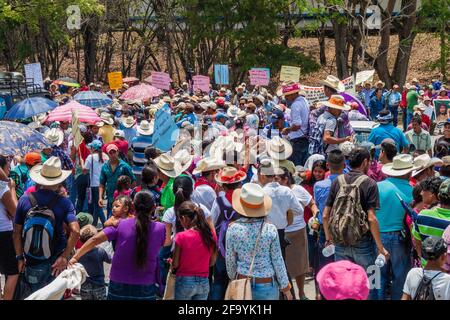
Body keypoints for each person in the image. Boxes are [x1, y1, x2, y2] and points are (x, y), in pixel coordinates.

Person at [70, 191, 165, 300]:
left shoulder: (120, 224)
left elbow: (95, 239)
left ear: (133, 205)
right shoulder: (160, 228)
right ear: (154, 207)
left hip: (118, 282)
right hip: (146, 284)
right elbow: (165, 243)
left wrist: (75, 257)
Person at [322, 147, 389, 300]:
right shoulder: (370, 184)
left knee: (343, 286)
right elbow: (371, 218)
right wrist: (380, 248)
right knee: (368, 285)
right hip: (363, 243)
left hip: (339, 243)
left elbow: (325, 215)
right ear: (365, 162)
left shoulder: (337, 181)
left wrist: (328, 238)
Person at [13, 157, 80, 293]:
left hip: (30, 260)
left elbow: (16, 232)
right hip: (55, 262)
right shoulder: (64, 203)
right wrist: (65, 256)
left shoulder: (25, 199)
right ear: (59, 180)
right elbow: (76, 231)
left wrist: (20, 258)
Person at [226, 183, 293, 300]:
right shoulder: (270, 229)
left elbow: (230, 259)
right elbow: (277, 260)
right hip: (267, 285)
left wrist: (233, 278)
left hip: (242, 282)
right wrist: (285, 287)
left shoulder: (233, 229)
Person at [376, 154, 418, 300]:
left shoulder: (378, 186)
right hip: (400, 238)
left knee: (377, 277)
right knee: (400, 277)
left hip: (378, 237)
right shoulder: (413, 190)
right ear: (409, 172)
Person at [277, 167, 316, 300]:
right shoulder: (274, 191)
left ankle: (301, 293)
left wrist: (315, 215)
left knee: (300, 266)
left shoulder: (298, 189)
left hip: (298, 231)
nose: (275, 182)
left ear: (286, 179)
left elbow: (311, 203)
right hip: (281, 232)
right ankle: (287, 294)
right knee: (282, 266)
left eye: (277, 179)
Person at [209, 166, 246, 300]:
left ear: (223, 186)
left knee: (219, 279)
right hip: (243, 244)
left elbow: (212, 221)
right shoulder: (245, 200)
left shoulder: (219, 202)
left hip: (223, 246)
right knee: (241, 279)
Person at [172, 201, 217, 300]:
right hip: (204, 282)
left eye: (180, 220)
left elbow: (175, 264)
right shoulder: (210, 235)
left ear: (183, 218)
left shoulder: (181, 236)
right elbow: (212, 262)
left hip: (184, 281)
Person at [412, 179, 450, 259]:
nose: (421, 193)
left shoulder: (423, 215)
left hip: (427, 265)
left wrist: (422, 258)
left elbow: (417, 241)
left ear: (439, 196)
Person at [99, 144, 136, 218]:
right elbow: (101, 183)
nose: (113, 154)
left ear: (118, 152)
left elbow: (133, 181)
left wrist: (130, 194)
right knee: (110, 219)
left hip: (123, 201)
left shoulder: (125, 166)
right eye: (110, 153)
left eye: (114, 152)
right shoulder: (104, 167)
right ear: (107, 154)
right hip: (110, 199)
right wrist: (100, 197)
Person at [0, 156, 18, 300]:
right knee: (12, 272)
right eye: (7, 166)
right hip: (4, 233)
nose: (9, 168)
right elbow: (15, 212)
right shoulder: (2, 187)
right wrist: (11, 188)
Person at [77, 225, 112, 300]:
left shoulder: (78, 253)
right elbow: (110, 260)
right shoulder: (100, 251)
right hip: (99, 285)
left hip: (84, 286)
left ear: (80, 240)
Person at [281, 83, 310, 166]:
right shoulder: (304, 101)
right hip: (304, 139)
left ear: (294, 93)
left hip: (297, 141)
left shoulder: (295, 105)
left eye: (287, 95)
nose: (286, 97)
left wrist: (287, 129)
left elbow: (297, 125)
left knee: (296, 168)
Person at [83, 140, 108, 227]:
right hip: (103, 184)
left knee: (97, 206)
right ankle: (95, 223)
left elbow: (85, 171)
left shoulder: (91, 157)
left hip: (94, 184)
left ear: (93, 148)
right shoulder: (106, 156)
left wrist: (82, 161)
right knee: (97, 205)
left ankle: (104, 224)